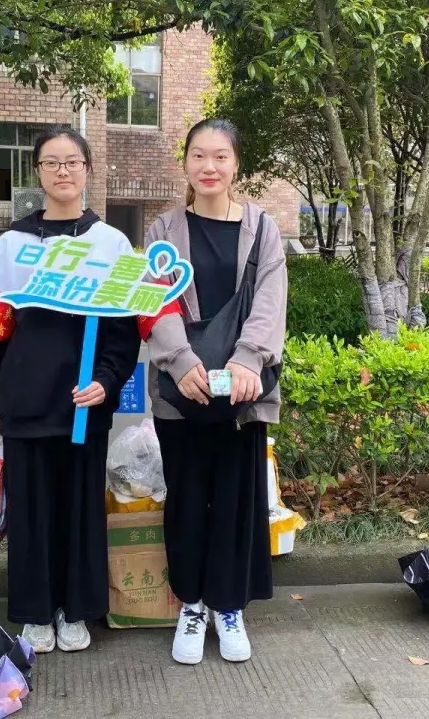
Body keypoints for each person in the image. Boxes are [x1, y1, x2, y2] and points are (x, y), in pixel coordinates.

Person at [0, 126, 140, 654]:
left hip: (82, 403)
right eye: (52, 162)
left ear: (87, 169)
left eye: (72, 161)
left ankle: (76, 610)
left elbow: (123, 329)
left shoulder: (111, 244)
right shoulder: (13, 244)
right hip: (25, 397)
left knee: (80, 509)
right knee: (32, 512)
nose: (62, 171)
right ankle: (36, 613)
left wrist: (106, 381)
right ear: (38, 173)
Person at [139, 118, 288, 665]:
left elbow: (270, 298)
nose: (209, 167)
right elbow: (153, 300)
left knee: (233, 500)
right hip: (181, 392)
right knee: (185, 498)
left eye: (220, 156)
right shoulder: (162, 230)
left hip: (242, 393)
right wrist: (179, 362)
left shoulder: (262, 228)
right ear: (185, 163)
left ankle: (228, 607)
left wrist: (249, 358)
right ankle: (191, 604)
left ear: (236, 164)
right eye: (198, 155)